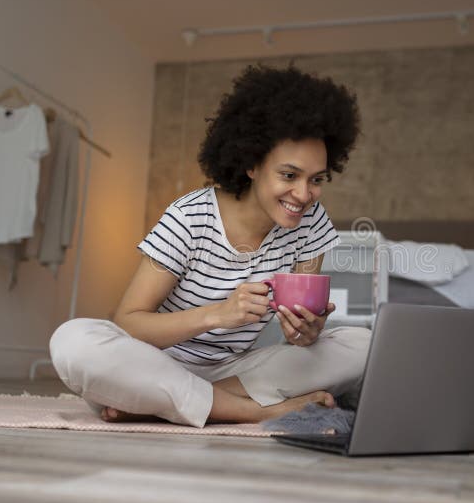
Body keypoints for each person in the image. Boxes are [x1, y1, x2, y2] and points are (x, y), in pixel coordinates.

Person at [49, 65, 370, 428]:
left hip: (234, 371)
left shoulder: (311, 223)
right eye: (289, 175)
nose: (303, 194)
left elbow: (296, 336)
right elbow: (130, 323)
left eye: (316, 180)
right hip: (156, 363)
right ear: (252, 164)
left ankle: (168, 403)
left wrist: (305, 333)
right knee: (73, 342)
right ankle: (254, 411)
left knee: (363, 345)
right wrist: (216, 314)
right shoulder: (190, 216)